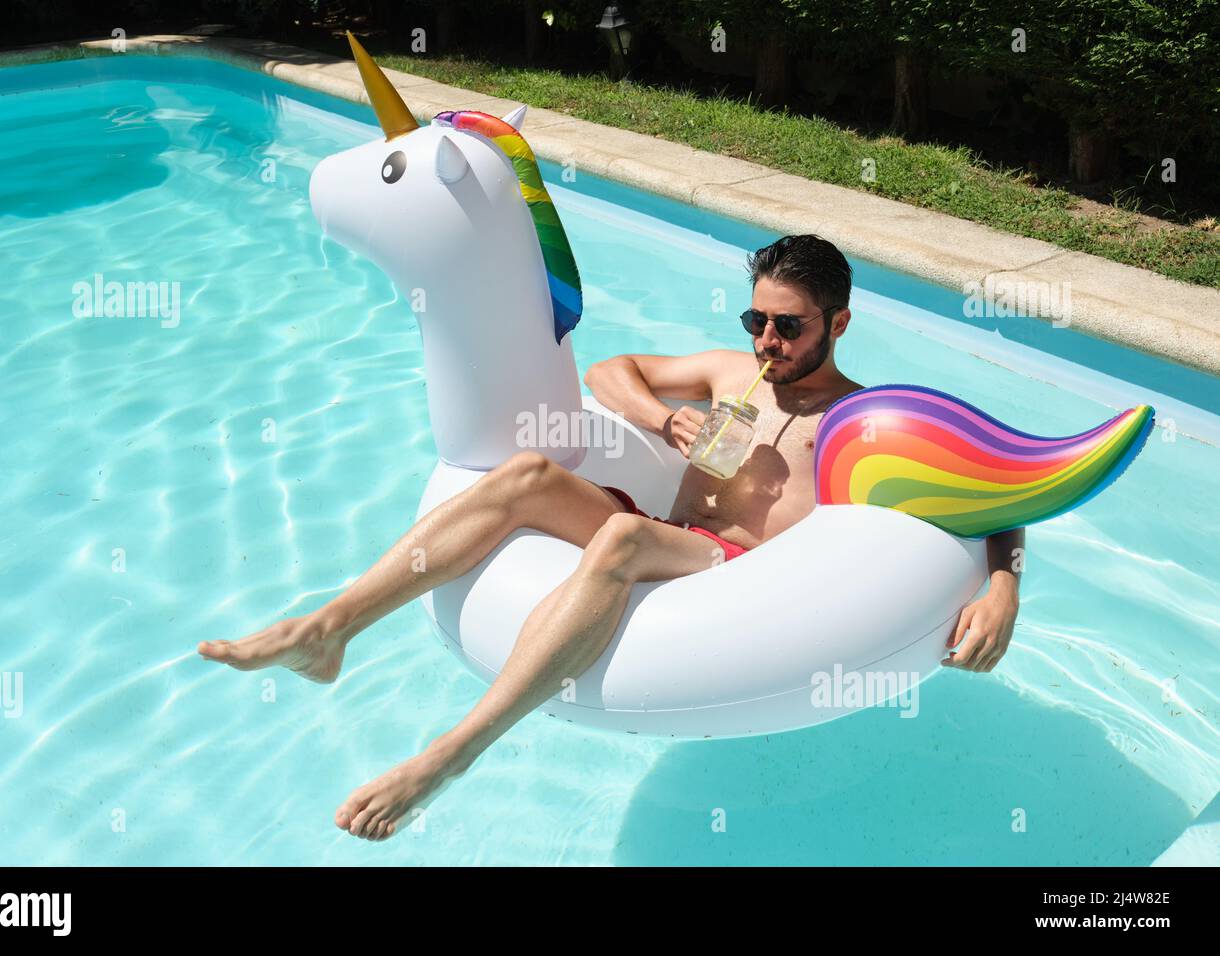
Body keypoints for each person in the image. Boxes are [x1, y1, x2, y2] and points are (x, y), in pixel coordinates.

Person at [199, 234, 1023, 841]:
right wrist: (669, 422)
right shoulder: (733, 375)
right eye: (756, 320)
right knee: (525, 475)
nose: (766, 343)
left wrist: (1003, 588)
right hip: (675, 534)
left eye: (790, 328)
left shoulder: (862, 416)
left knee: (624, 536)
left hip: (742, 576)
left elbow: (996, 484)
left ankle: (449, 754)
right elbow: (605, 372)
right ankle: (326, 630)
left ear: (838, 323)